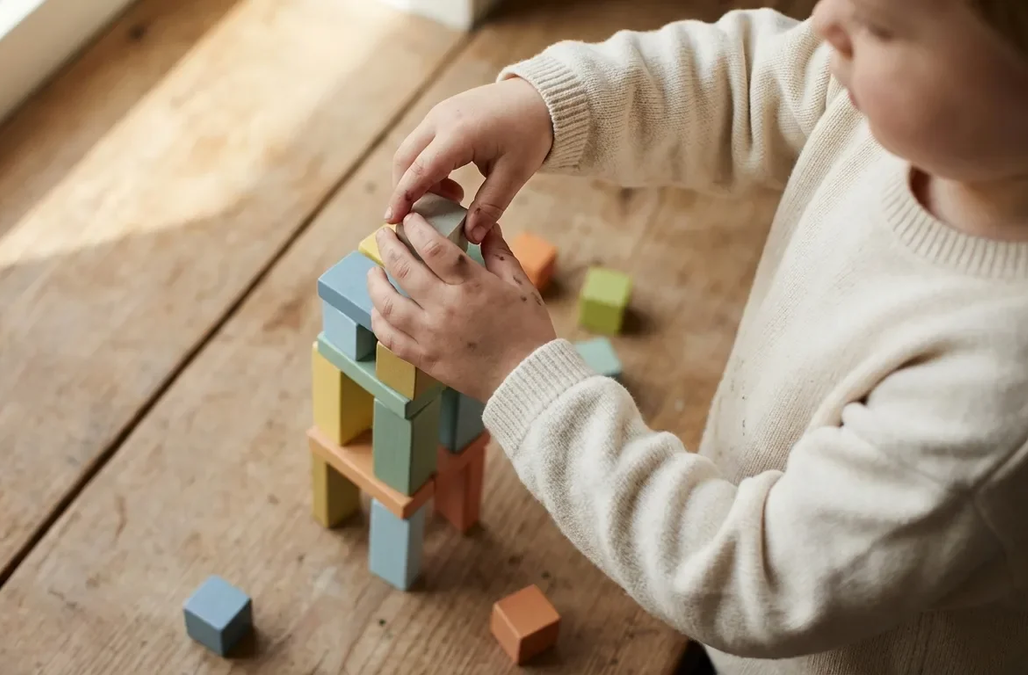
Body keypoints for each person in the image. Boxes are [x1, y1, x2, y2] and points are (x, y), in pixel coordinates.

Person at [363, 0, 1028, 672]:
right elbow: (744, 79)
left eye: (880, 27)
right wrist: (548, 105)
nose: (823, 20)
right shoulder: (901, 107)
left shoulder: (997, 389)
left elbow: (755, 579)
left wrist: (520, 373)